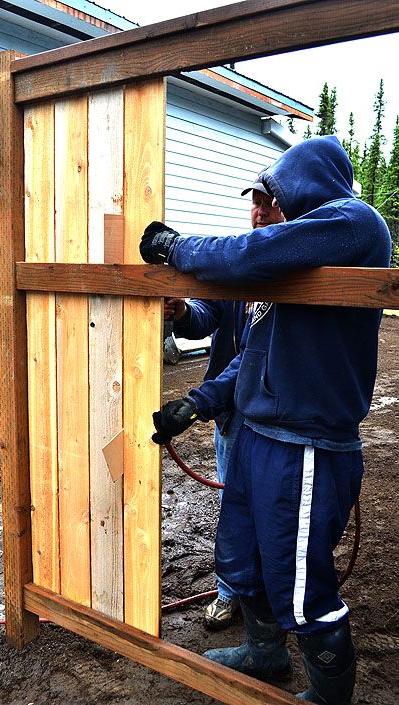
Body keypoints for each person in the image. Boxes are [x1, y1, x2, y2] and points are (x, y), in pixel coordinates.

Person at [140, 135, 391, 705]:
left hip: (305, 446)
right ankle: (266, 653)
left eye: (271, 193)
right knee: (242, 555)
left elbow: (251, 253)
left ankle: (330, 696)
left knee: (298, 580)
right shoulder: (285, 279)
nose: (262, 209)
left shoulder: (357, 224)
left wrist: (176, 246)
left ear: (301, 185)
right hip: (258, 438)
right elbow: (251, 361)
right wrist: (197, 403)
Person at [165, 176, 284, 630]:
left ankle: (266, 597)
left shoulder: (287, 275)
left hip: (267, 411)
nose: (258, 212)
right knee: (235, 503)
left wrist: (200, 400)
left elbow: (255, 357)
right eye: (254, 204)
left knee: (266, 506)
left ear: (286, 211)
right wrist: (180, 311)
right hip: (229, 413)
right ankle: (231, 592)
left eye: (268, 204)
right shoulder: (236, 270)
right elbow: (205, 317)